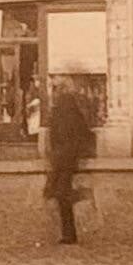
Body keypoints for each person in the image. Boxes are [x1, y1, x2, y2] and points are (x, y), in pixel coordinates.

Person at [45, 82, 93, 245]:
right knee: (60, 193)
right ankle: (68, 232)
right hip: (67, 159)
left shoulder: (59, 111)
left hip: (62, 159)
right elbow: (84, 133)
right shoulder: (73, 111)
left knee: (60, 194)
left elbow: (54, 138)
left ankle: (69, 233)